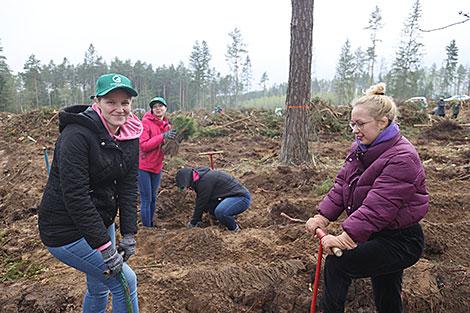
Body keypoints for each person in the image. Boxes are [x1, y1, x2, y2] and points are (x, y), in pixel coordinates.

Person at [305, 82, 428, 313]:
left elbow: (379, 205)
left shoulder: (403, 157)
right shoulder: (361, 148)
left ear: (382, 123)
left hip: (402, 240)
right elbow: (343, 184)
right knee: (386, 290)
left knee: (338, 264)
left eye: (360, 124)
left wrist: (347, 237)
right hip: (377, 234)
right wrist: (323, 216)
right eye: (352, 123)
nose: (355, 129)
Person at [38, 73, 142, 313]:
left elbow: (128, 185)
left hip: (99, 221)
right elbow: (75, 195)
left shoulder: (129, 134)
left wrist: (128, 233)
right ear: (97, 102)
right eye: (111, 102)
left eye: (125, 102)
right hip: (65, 230)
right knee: (125, 281)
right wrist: (105, 247)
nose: (120, 109)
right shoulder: (76, 135)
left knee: (99, 288)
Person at [138, 96, 176, 227]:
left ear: (165, 108)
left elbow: (168, 147)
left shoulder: (167, 126)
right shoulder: (145, 123)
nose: (158, 108)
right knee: (146, 199)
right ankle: (147, 228)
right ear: (152, 110)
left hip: (157, 166)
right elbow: (144, 145)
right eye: (155, 107)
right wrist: (162, 136)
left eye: (160, 106)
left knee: (153, 198)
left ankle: (151, 224)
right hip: (143, 167)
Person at [176, 167, 251, 231]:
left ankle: (234, 229)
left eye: (187, 187)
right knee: (208, 207)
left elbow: (201, 203)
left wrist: (193, 222)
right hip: (226, 197)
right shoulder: (198, 177)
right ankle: (222, 220)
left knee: (221, 212)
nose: (188, 189)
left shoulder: (204, 182)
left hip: (240, 198)